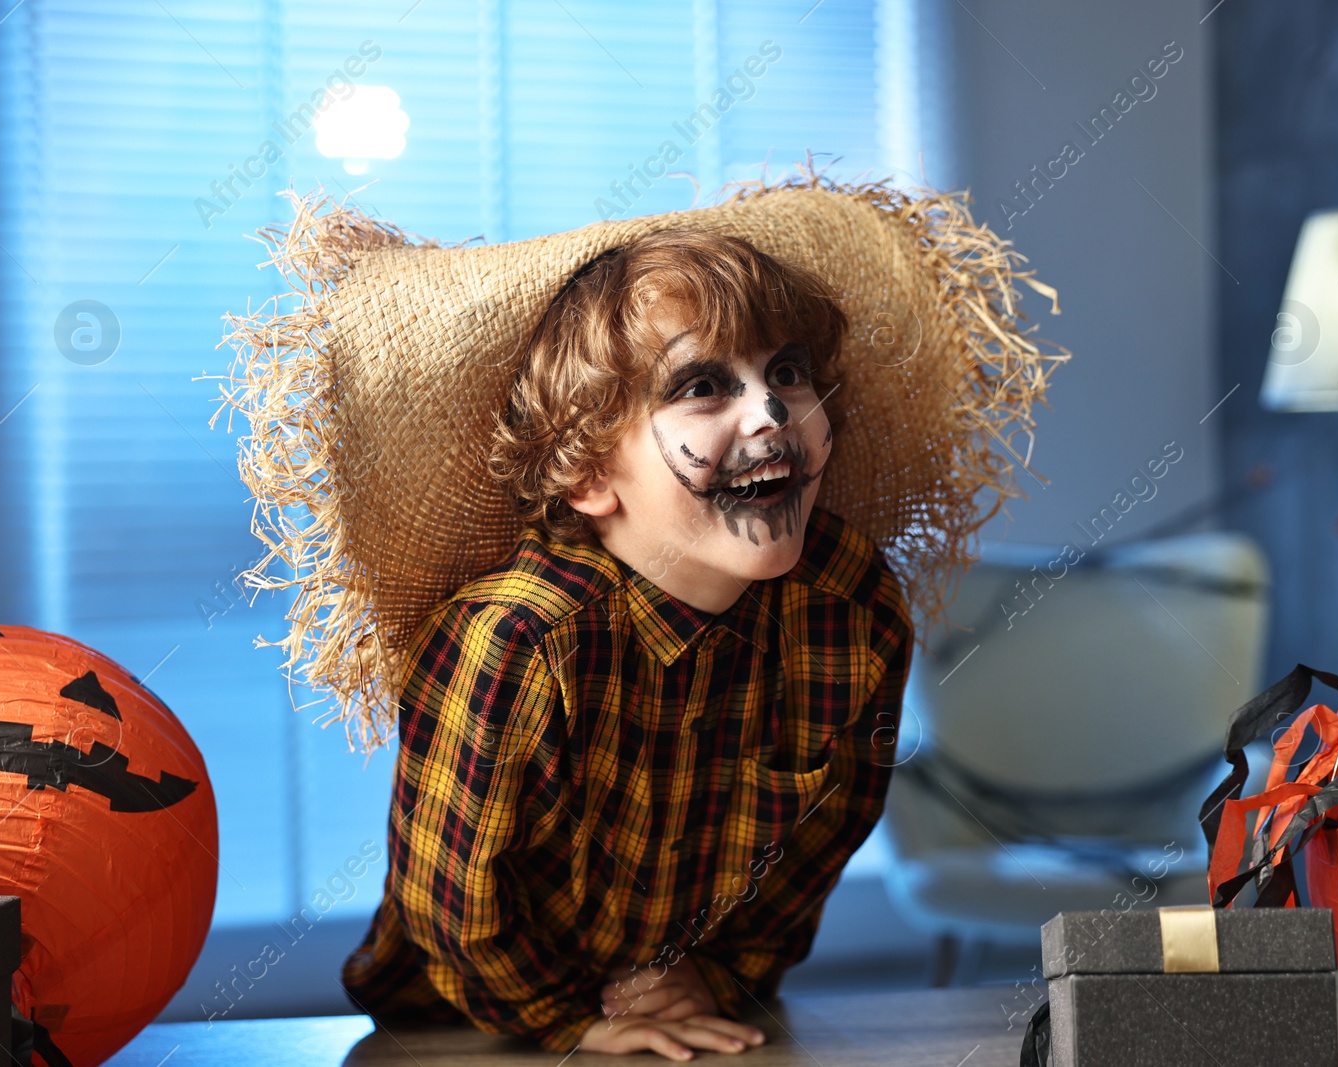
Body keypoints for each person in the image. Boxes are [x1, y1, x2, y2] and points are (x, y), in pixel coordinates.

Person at [340, 227, 915, 1061]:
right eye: (703, 385)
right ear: (588, 474)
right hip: (470, 1029)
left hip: (702, 1017)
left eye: (785, 371)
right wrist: (570, 1018)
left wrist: (720, 970)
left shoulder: (851, 602)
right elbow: (454, 901)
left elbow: (834, 824)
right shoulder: (517, 644)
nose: (773, 412)